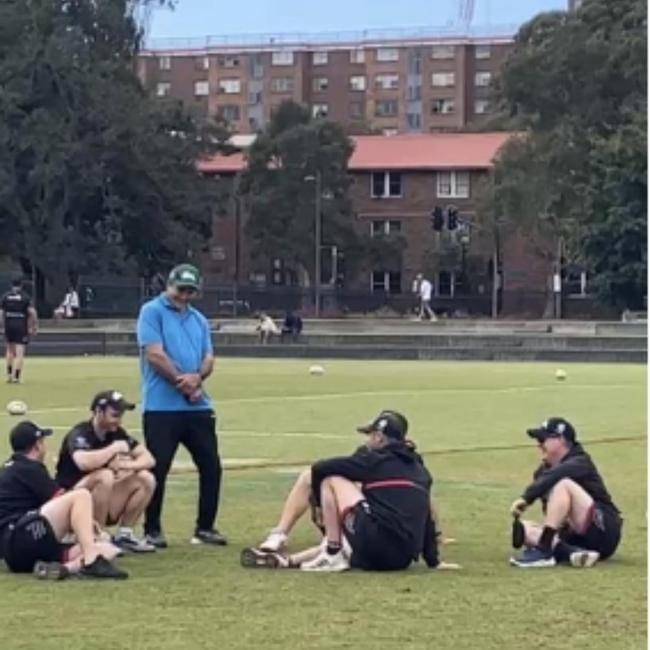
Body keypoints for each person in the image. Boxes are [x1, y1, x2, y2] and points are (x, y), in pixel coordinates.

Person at [262, 410, 457, 572]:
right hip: (401, 560)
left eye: (370, 436)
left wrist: (320, 508)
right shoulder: (420, 469)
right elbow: (427, 516)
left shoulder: (371, 461)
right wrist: (434, 560)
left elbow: (320, 468)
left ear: (379, 438)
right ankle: (289, 560)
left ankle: (331, 553)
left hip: (373, 548)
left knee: (331, 481)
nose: (366, 441)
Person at [137, 263, 226, 548]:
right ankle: (152, 529)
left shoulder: (199, 319)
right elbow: (154, 354)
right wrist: (182, 381)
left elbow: (209, 356)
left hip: (197, 406)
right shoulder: (151, 312)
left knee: (211, 466)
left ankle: (205, 527)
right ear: (169, 285)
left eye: (191, 291)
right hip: (162, 407)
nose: (185, 296)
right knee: (157, 467)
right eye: (181, 289)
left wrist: (198, 377)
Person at [0, 421, 127, 580]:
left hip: (19, 554)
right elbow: (64, 499)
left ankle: (63, 569)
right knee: (81, 495)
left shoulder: (9, 468)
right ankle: (91, 562)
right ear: (37, 446)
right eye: (43, 442)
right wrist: (90, 525)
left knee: (107, 549)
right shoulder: (29, 468)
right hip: (21, 536)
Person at [509, 418, 623, 569]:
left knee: (564, 485)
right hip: (575, 536)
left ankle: (545, 551)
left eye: (543, 439)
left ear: (561, 439)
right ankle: (571, 553)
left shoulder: (580, 461)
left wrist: (526, 498)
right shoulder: (542, 473)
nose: (539, 445)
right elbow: (551, 513)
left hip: (604, 531)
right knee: (525, 529)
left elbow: (558, 474)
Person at [54, 390, 156, 553]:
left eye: (121, 415)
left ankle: (125, 534)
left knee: (146, 479)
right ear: (99, 412)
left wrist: (124, 466)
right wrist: (113, 451)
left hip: (102, 499)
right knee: (104, 476)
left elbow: (149, 459)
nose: (119, 420)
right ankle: (96, 536)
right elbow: (83, 462)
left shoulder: (117, 433)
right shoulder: (80, 434)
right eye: (115, 415)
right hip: (71, 500)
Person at [0, 278, 38, 384]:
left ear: (11, 285)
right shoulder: (25, 297)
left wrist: (1, 326)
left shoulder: (5, 297)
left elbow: (1, 313)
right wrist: (34, 326)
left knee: (9, 351)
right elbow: (32, 313)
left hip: (9, 326)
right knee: (19, 352)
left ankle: (8, 375)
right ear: (21, 286)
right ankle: (16, 377)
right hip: (21, 326)